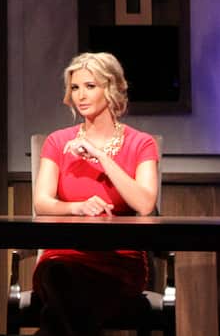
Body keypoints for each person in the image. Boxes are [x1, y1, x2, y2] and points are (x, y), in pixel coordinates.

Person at [31, 51, 160, 336]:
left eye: (90, 86)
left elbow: (145, 203)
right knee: (58, 274)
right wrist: (75, 208)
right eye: (75, 87)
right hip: (63, 254)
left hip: (118, 261)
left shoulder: (141, 144)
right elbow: (41, 203)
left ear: (111, 89)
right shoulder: (57, 142)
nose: (81, 95)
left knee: (57, 315)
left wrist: (101, 156)